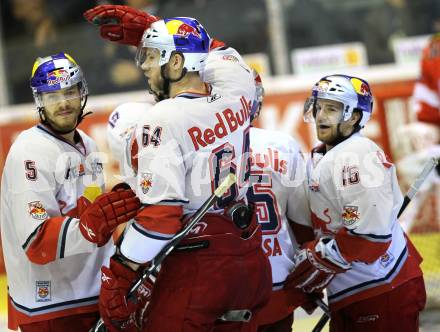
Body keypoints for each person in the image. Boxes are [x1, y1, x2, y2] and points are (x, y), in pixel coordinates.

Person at [85, 10, 272, 332]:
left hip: (200, 270)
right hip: (252, 261)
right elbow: (219, 50)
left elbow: (160, 220)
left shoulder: (161, 120)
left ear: (176, 63)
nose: (143, 65)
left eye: (152, 56)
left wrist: (120, 272)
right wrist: (152, 28)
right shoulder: (238, 87)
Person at [0, 52, 141, 331]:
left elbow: (86, 213)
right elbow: (37, 243)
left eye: (69, 92)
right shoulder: (28, 152)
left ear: (82, 93)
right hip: (50, 307)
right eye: (52, 96)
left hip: (94, 297)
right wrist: (94, 223)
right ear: (39, 100)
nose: (63, 103)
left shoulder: (88, 145)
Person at [285, 74, 426, 331]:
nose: (321, 115)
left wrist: (319, 257)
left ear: (354, 116)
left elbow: (371, 240)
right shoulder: (323, 157)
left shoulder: (356, 156)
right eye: (318, 107)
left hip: (381, 288)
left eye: (332, 108)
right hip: (355, 291)